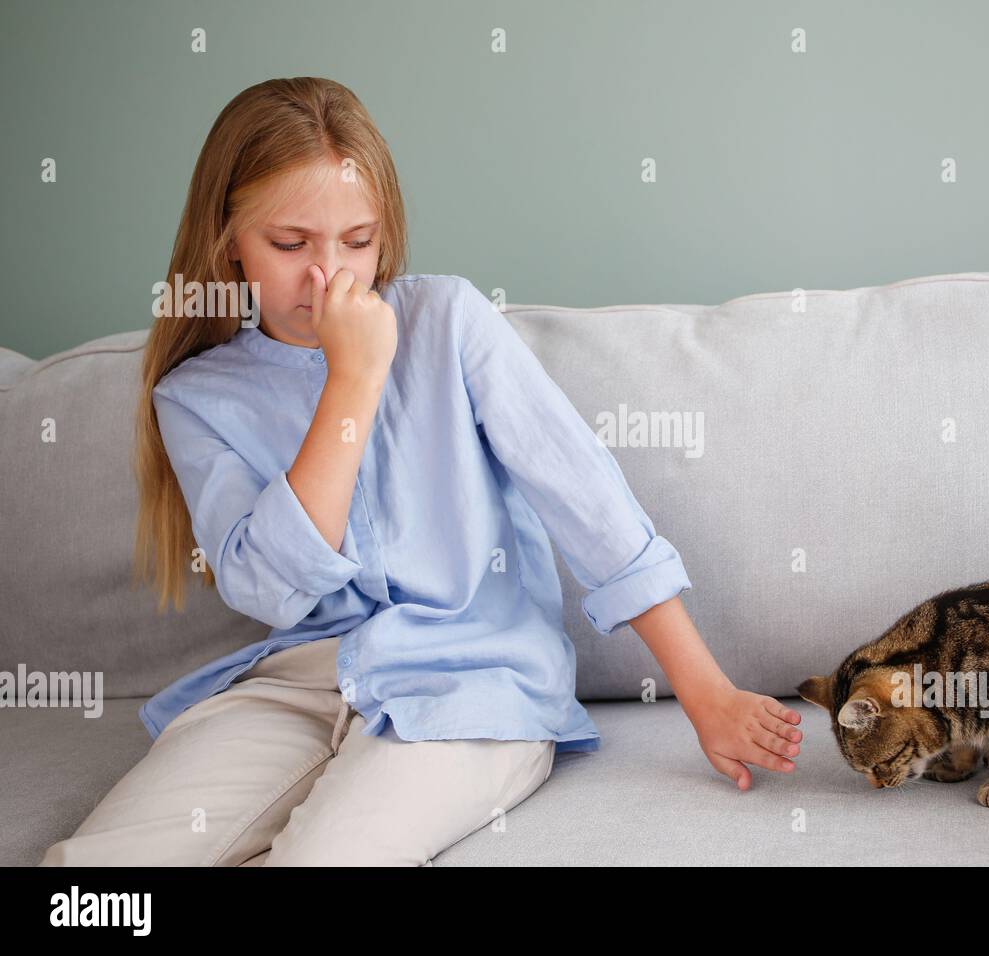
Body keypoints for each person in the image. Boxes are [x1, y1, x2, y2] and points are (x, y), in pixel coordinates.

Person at [40, 76, 801, 867]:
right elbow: (269, 588)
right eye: (291, 245)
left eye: (358, 242)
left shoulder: (448, 320)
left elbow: (588, 501)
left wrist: (704, 692)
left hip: (474, 680)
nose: (330, 279)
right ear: (227, 235)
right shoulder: (196, 398)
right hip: (300, 683)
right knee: (87, 881)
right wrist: (352, 381)